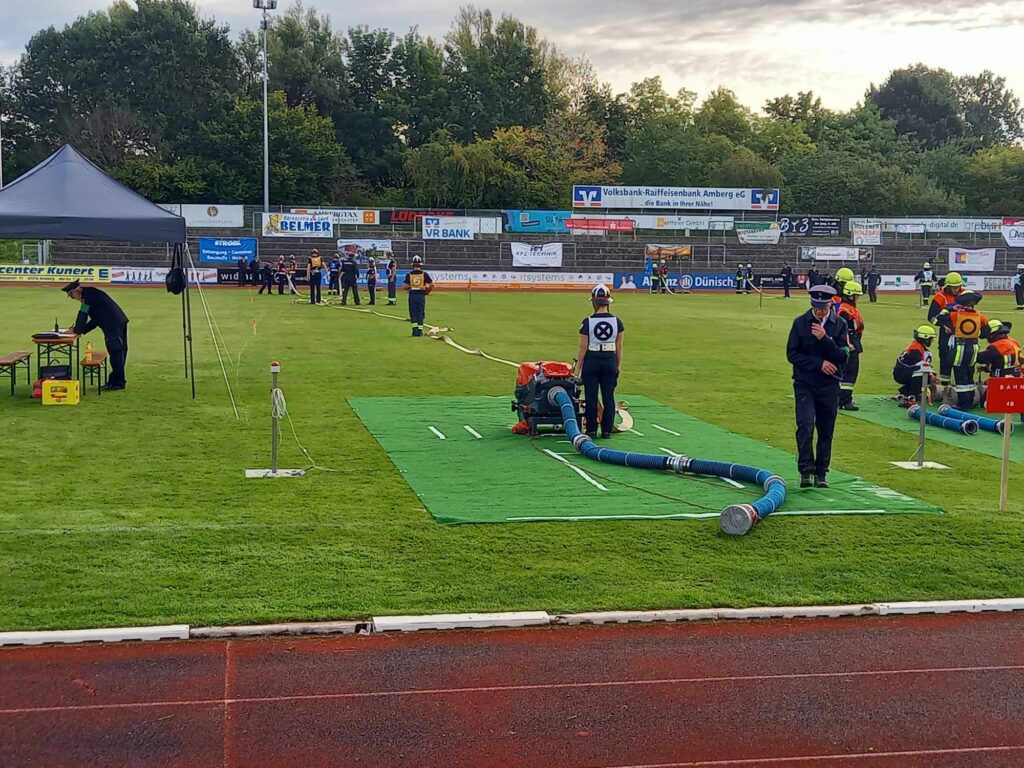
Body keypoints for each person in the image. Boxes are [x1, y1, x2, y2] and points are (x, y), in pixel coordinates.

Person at [786, 285, 850, 488]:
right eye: (817, 308)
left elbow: (843, 356)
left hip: (829, 386)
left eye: (824, 308)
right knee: (805, 425)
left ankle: (821, 473)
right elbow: (792, 354)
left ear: (831, 304)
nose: (820, 312)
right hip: (805, 384)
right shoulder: (800, 323)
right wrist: (818, 364)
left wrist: (825, 339)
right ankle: (805, 470)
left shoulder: (839, 324)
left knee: (826, 430)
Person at [61, 280, 130, 391]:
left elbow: (83, 314)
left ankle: (118, 382)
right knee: (119, 351)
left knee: (116, 351)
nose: (72, 298)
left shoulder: (87, 298)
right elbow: (96, 320)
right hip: (117, 322)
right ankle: (116, 380)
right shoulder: (91, 294)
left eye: (71, 295)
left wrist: (78, 330)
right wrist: (80, 330)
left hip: (112, 325)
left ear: (76, 291)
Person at [575, 284, 624, 439]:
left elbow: (583, 347)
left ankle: (591, 429)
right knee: (608, 396)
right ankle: (607, 430)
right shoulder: (617, 322)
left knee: (591, 396)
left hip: (592, 360)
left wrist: (578, 367)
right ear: (608, 302)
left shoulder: (587, 322)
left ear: (594, 302)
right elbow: (619, 346)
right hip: (609, 359)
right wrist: (618, 365)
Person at [936, 291, 989, 409]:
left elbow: (940, 318)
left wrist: (949, 308)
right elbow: (985, 333)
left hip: (960, 348)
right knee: (970, 374)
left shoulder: (955, 315)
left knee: (960, 375)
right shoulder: (981, 317)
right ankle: (970, 399)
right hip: (974, 348)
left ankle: (963, 403)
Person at [928, 271, 966, 386]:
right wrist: (943, 325)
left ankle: (961, 384)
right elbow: (931, 317)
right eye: (953, 287)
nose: (956, 289)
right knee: (945, 357)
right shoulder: (940, 297)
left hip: (962, 332)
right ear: (947, 286)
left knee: (961, 358)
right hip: (946, 333)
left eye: (958, 287)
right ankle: (945, 385)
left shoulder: (965, 294)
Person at [835, 282, 865, 411]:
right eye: (856, 295)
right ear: (850, 295)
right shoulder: (845, 310)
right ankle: (844, 401)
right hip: (850, 343)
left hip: (853, 340)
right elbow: (843, 329)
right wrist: (849, 344)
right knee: (850, 373)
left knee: (847, 372)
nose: (858, 298)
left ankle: (843, 398)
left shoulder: (848, 308)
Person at [892, 325, 938, 403]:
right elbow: (921, 365)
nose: (932, 341)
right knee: (923, 373)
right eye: (931, 338)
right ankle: (912, 395)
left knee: (925, 374)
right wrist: (932, 375)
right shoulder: (915, 349)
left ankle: (905, 392)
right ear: (926, 339)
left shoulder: (916, 346)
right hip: (902, 373)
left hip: (901, 372)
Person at [403, 255, 434, 336]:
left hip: (412, 295)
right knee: (420, 312)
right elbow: (432, 285)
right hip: (421, 295)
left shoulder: (409, 275)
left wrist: (410, 287)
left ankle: (414, 330)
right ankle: (420, 331)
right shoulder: (424, 274)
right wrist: (426, 292)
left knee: (413, 313)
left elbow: (405, 286)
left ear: (413, 265)